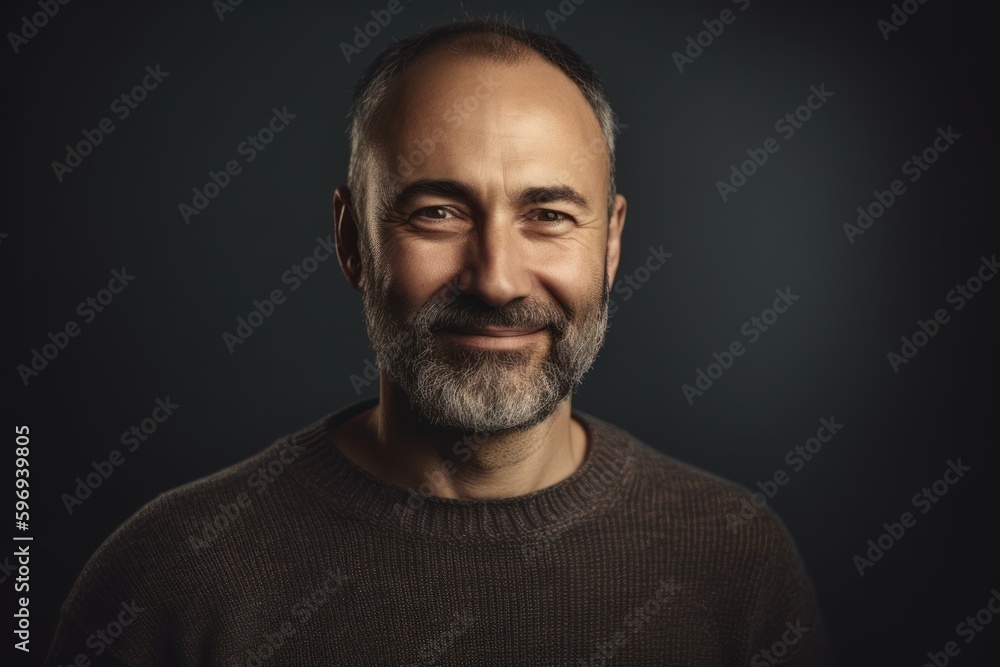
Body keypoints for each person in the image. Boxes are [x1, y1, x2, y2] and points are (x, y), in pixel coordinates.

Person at [46, 16, 833, 666]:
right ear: (352, 241)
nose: (495, 279)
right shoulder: (168, 580)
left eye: (549, 216)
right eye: (437, 213)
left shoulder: (735, 563)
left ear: (612, 243)